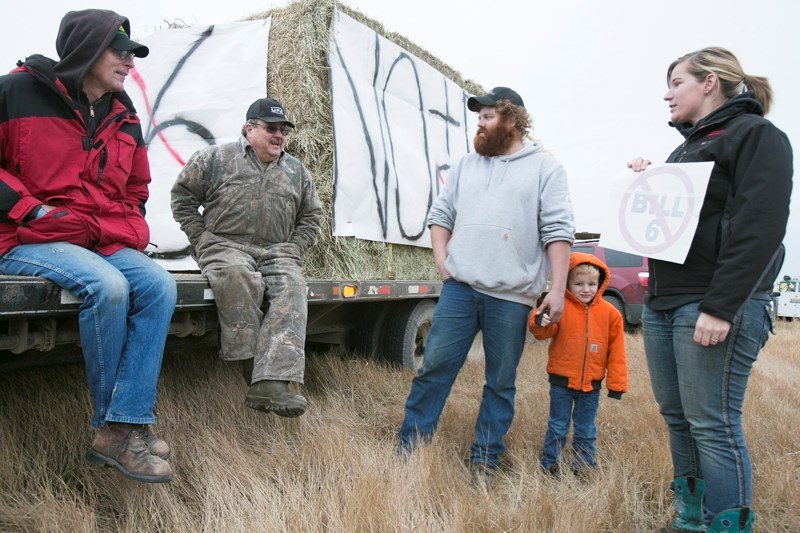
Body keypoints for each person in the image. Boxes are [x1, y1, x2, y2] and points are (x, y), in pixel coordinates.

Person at [0, 10, 177, 483]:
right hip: (24, 235)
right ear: (86, 49)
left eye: (133, 54)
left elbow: (138, 185)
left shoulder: (125, 113)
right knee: (108, 286)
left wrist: (129, 221)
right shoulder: (15, 91)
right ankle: (114, 430)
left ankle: (126, 422)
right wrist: (31, 211)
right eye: (119, 50)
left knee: (159, 285)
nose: (128, 61)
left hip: (97, 236)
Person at [627, 47, 793, 532]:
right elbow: (677, 224)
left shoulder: (756, 136)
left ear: (710, 82)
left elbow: (760, 226)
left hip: (712, 303)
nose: (667, 93)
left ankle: (727, 525)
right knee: (678, 418)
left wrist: (721, 307)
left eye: (676, 81)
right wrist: (645, 180)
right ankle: (691, 520)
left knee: (712, 425)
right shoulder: (686, 150)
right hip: (665, 302)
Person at [396, 87, 575, 475]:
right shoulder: (465, 166)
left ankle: (485, 458)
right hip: (461, 290)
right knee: (433, 370)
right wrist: (444, 264)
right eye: (478, 117)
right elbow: (440, 216)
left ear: (512, 120)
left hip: (512, 296)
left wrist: (557, 290)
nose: (480, 122)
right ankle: (410, 449)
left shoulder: (546, 169)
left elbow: (558, 231)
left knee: (500, 382)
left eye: (488, 116)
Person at [171, 98, 323, 418]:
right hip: (225, 247)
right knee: (238, 277)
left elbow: (311, 215)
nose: (279, 135)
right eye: (271, 128)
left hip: (276, 251)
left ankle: (271, 383)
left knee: (293, 288)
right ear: (249, 128)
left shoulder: (297, 172)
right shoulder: (215, 159)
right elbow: (182, 197)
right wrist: (201, 240)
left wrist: (294, 247)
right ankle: (253, 367)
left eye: (283, 130)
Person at [529, 252, 627, 477]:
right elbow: (543, 332)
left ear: (600, 284)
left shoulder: (610, 314)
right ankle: (550, 464)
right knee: (558, 425)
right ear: (567, 284)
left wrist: (617, 383)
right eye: (579, 283)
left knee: (585, 428)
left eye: (592, 284)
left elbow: (617, 353)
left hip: (591, 385)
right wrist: (539, 318)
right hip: (561, 383)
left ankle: (583, 467)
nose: (586, 289)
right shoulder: (559, 306)